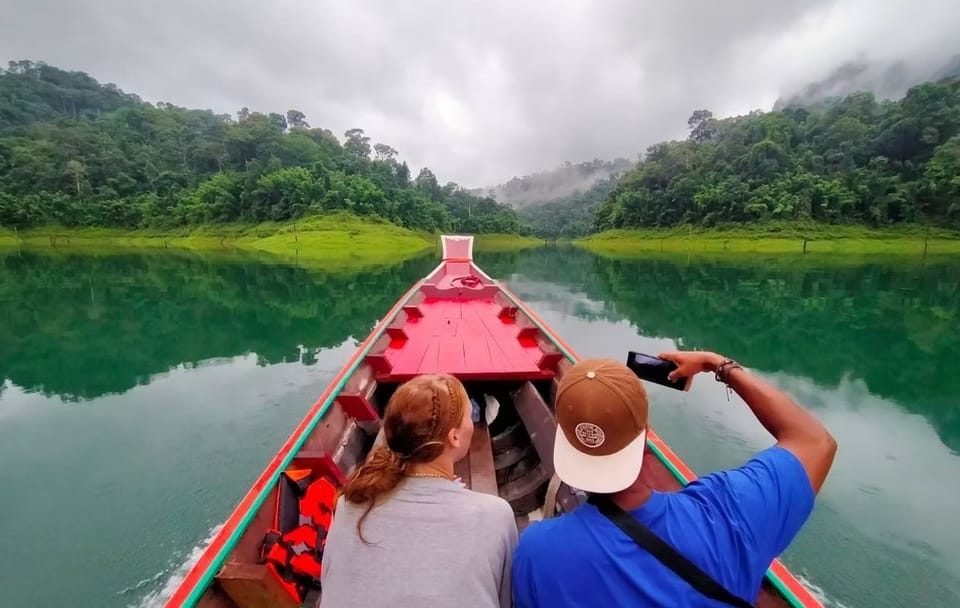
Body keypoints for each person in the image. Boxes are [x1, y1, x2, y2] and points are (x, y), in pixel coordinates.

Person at [512, 352, 837, 608]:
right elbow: (814, 441)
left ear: (566, 444)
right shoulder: (728, 514)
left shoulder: (536, 552)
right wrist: (717, 364)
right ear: (646, 435)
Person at [320, 373, 518, 608]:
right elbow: (507, 601)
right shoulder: (495, 516)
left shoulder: (348, 503)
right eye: (468, 415)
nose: (471, 421)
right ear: (454, 436)